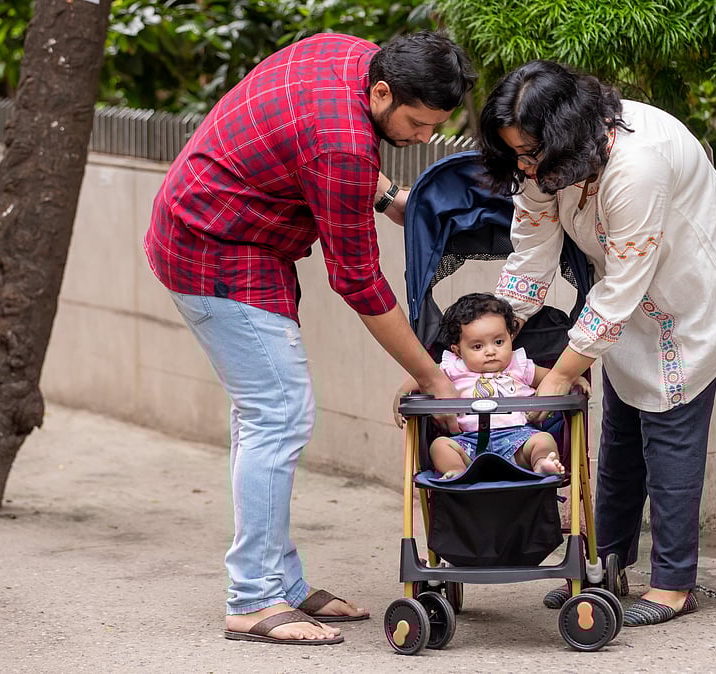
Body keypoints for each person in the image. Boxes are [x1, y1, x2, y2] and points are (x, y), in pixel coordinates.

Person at [144, 31, 474, 646]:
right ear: (380, 90)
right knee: (278, 414)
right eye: (417, 122)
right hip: (214, 247)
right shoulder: (346, 146)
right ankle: (254, 599)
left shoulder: (347, 52)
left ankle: (280, 585)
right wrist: (434, 376)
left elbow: (299, 145)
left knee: (266, 415)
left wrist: (386, 196)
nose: (424, 138)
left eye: (436, 125)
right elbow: (357, 280)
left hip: (231, 229)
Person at [479, 61, 716, 627]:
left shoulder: (636, 166)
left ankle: (672, 584)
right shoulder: (543, 165)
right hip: (631, 304)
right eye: (516, 153)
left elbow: (619, 289)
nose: (525, 165)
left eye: (532, 152)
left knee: (669, 435)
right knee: (618, 431)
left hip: (694, 298)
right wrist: (492, 334)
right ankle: (605, 564)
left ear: (566, 134)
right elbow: (531, 258)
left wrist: (561, 374)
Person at [393, 293, 588, 478]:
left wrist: (572, 377)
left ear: (510, 337)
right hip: (468, 442)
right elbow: (424, 378)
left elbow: (553, 378)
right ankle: (456, 471)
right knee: (440, 446)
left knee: (544, 440)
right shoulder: (452, 367)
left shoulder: (518, 364)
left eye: (498, 341)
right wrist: (403, 392)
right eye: (478, 346)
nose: (491, 351)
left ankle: (542, 464)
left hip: (519, 438)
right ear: (457, 350)